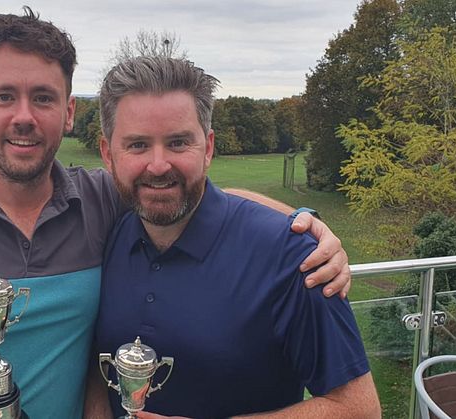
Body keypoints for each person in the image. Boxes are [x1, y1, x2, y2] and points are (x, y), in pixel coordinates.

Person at [0, 8, 351, 419]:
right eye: (4, 97)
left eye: (43, 98)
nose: (24, 117)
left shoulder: (101, 200)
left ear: (68, 113)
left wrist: (303, 225)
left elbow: (188, 190)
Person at [88, 56, 381, 419]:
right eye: (137, 145)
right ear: (108, 154)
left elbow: (359, 410)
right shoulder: (110, 232)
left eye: (178, 143)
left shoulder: (294, 257)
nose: (159, 165)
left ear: (208, 148)